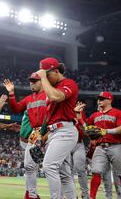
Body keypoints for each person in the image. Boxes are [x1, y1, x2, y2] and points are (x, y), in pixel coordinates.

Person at [36, 57, 79, 199]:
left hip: (65, 131)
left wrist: (43, 78)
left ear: (55, 71)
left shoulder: (69, 83)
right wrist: (41, 134)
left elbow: (56, 97)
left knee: (49, 166)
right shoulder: (52, 88)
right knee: (65, 174)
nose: (45, 78)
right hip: (53, 132)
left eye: (47, 75)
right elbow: (48, 115)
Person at [3, 72, 47, 199]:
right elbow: (15, 108)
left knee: (56, 168)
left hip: (50, 132)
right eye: (30, 81)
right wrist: (11, 93)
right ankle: (32, 195)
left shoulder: (49, 95)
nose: (31, 83)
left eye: (35, 81)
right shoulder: (29, 98)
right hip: (35, 133)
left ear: (42, 81)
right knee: (29, 166)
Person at [74, 92, 121, 199]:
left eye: (103, 98)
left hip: (116, 146)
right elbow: (87, 130)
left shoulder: (117, 113)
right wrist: (80, 117)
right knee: (96, 171)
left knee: (118, 174)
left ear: (110, 100)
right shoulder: (94, 115)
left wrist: (106, 131)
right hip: (100, 147)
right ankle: (92, 197)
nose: (99, 100)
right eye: (99, 98)